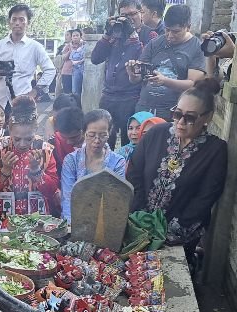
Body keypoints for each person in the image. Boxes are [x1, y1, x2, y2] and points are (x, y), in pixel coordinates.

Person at [127, 78, 227, 248]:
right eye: (177, 114)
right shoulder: (156, 133)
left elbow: (206, 196)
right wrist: (141, 215)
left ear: (207, 117)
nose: (181, 122)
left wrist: (172, 229)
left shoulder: (215, 150)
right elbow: (134, 173)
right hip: (139, 224)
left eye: (190, 117)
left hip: (180, 235)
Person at [0, 96, 60, 228]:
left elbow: (52, 191)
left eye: (28, 139)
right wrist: (4, 172)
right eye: (16, 139)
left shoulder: (45, 149)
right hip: (3, 220)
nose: (22, 144)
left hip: (36, 220)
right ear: (9, 130)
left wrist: (36, 171)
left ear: (35, 131)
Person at [127, 4, 205, 121]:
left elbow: (194, 85)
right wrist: (132, 74)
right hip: (144, 109)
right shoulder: (155, 43)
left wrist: (165, 81)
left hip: (173, 113)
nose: (170, 35)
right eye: (167, 30)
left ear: (188, 27)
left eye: (176, 31)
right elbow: (138, 78)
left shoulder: (197, 48)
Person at [92, 0, 145, 149]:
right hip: (108, 96)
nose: (128, 19)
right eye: (124, 15)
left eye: (132, 14)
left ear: (141, 13)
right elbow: (96, 58)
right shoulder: (116, 33)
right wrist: (107, 34)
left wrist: (133, 35)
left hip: (131, 97)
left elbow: (143, 62)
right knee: (104, 139)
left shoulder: (148, 34)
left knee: (129, 142)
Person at [61, 109, 127, 222]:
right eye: (91, 135)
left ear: (109, 133)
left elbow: (116, 198)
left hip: (105, 220)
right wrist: (70, 225)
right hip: (75, 218)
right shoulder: (71, 160)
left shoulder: (117, 162)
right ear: (83, 133)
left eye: (103, 135)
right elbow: (68, 197)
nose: (97, 140)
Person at [0, 4, 56, 109]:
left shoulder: (35, 47)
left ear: (28, 23)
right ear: (9, 22)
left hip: (23, 103)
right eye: (14, 19)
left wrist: (35, 91)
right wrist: (0, 71)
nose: (17, 23)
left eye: (22, 19)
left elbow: (50, 70)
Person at [49, 105, 84, 176]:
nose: (68, 142)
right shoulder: (53, 145)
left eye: (74, 137)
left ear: (84, 130)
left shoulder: (96, 143)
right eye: (63, 137)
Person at [67, 29, 85, 96]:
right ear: (71, 37)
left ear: (80, 36)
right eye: (73, 36)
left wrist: (80, 61)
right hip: (75, 70)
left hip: (84, 69)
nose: (75, 37)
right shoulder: (69, 46)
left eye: (77, 35)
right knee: (75, 91)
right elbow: (69, 58)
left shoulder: (85, 45)